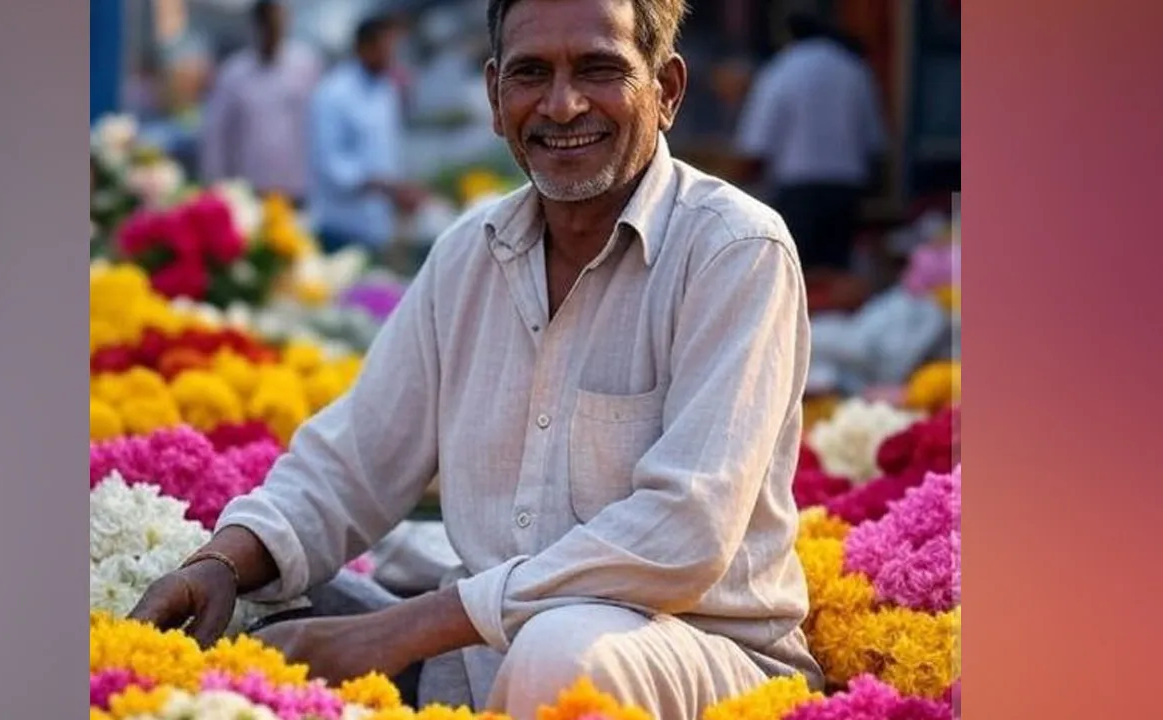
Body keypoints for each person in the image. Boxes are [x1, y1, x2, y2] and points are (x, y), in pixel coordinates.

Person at [129, 0, 823, 717]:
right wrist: (222, 561)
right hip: (479, 663)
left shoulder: (735, 251)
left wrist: (402, 629)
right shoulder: (470, 253)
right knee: (248, 621)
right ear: (496, 99)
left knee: (562, 653)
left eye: (598, 68)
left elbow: (686, 531)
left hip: (697, 652)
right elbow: (352, 461)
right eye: (531, 74)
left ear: (667, 90)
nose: (562, 104)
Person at [733, 11, 887, 275]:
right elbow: (874, 142)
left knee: (795, 275)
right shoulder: (854, 69)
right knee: (836, 275)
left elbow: (756, 145)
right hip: (846, 191)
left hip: (797, 191)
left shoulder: (781, 69)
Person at [307, 14, 427, 255]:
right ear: (364, 47)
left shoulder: (386, 89)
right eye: (386, 47)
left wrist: (401, 190)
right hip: (340, 228)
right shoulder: (333, 93)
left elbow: (389, 152)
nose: (392, 55)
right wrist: (389, 188)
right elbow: (333, 166)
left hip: (377, 227)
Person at [198, 0, 319, 206]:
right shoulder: (234, 73)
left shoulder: (305, 66)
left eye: (279, 24)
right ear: (257, 26)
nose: (274, 32)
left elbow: (317, 126)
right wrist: (215, 185)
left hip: (296, 189)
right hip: (249, 190)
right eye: (269, 25)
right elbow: (216, 134)